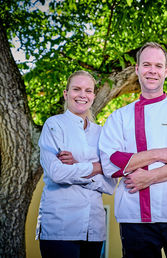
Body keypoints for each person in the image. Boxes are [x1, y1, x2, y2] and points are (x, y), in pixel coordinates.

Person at [99, 42, 167, 258]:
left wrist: (150, 177)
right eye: (147, 64)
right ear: (137, 69)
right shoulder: (118, 117)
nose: (152, 71)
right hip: (134, 217)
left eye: (158, 66)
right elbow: (111, 161)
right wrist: (158, 154)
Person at [36, 70, 116, 258]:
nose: (82, 95)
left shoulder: (102, 133)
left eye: (88, 90)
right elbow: (57, 173)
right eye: (76, 89)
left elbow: (111, 184)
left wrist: (77, 166)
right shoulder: (54, 125)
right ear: (66, 94)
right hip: (60, 226)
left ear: (94, 96)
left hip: (93, 227)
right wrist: (98, 168)